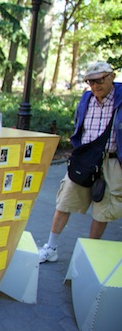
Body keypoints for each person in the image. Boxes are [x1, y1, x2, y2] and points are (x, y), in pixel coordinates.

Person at [39, 62, 121, 263]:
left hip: (112, 162)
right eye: (90, 82)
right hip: (85, 158)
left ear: (112, 76)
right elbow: (79, 125)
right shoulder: (86, 99)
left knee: (103, 210)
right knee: (64, 201)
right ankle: (51, 247)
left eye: (99, 80)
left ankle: (88, 254)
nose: (94, 86)